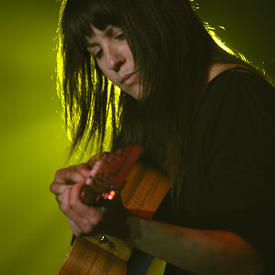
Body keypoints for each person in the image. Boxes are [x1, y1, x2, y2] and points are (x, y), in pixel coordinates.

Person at [50, 0, 275, 274]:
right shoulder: (144, 119)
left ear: (161, 17)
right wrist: (90, 200)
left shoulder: (236, 96)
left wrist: (126, 227)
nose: (111, 61)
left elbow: (248, 262)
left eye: (120, 35)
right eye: (96, 52)